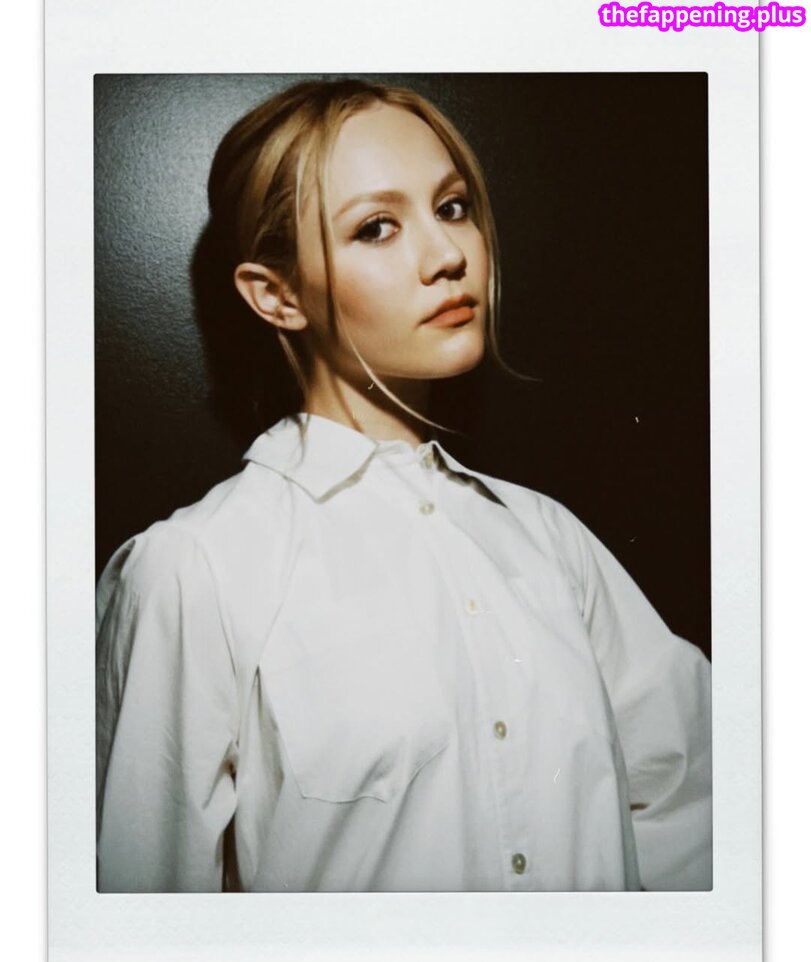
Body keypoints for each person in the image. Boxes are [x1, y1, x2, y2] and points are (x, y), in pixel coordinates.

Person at [96, 78, 711, 894]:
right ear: (277, 295)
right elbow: (146, 919)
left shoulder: (544, 536)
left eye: (452, 208)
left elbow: (697, 802)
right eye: (376, 227)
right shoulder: (196, 568)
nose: (448, 255)